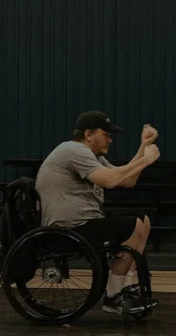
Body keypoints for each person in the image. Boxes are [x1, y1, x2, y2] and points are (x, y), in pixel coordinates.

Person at [35, 110, 161, 313]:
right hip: (67, 229)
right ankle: (114, 295)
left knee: (143, 220)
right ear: (88, 134)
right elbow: (111, 180)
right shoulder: (73, 150)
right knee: (135, 225)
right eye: (106, 134)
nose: (110, 140)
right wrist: (145, 160)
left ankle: (124, 288)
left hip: (83, 224)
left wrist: (143, 146)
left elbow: (126, 179)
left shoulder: (91, 155)